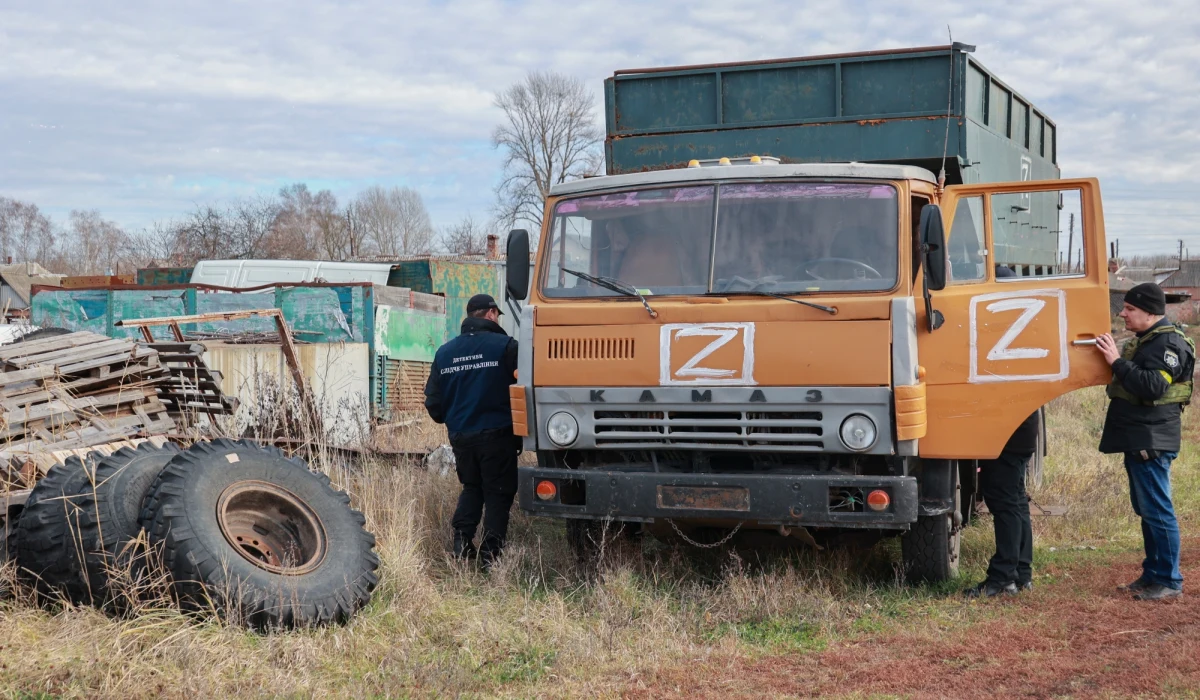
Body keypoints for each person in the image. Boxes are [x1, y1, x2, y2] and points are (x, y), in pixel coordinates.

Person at [1097, 282, 1194, 601]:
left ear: (1150, 313)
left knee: (1158, 510)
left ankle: (1169, 580)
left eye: (1130, 309)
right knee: (1148, 509)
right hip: (1140, 435)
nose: (1122, 314)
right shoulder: (1149, 340)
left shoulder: (1167, 343)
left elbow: (1153, 386)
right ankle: (1153, 573)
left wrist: (1116, 361)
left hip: (1151, 440)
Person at [424, 293, 520, 566]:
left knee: (472, 487)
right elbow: (525, 390)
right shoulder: (507, 347)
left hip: (461, 437)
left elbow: (433, 402)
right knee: (498, 493)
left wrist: (455, 420)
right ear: (491, 313)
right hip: (498, 434)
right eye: (497, 315)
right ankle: (490, 557)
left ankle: (461, 542)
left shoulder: (444, 352)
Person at [965, 264, 1037, 598]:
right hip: (1019, 427)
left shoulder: (1003, 332)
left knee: (1004, 502)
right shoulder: (1026, 330)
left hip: (1006, 429)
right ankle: (1021, 573)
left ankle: (1003, 578)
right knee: (1015, 501)